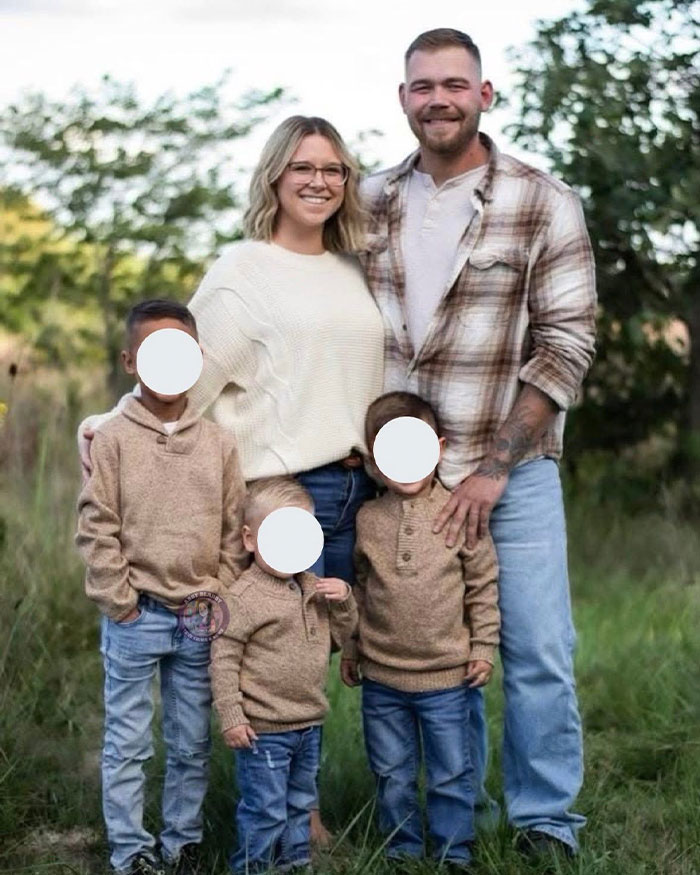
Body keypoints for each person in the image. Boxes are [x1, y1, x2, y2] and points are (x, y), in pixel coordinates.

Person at [77, 115, 385, 845]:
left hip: (355, 487)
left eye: (334, 169)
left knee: (320, 650)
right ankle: (285, 826)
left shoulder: (354, 268)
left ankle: (302, 805)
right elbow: (186, 380)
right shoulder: (239, 272)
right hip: (280, 490)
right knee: (273, 656)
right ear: (274, 176)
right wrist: (110, 418)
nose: (319, 180)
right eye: (303, 166)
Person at [358, 29, 597, 858]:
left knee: (536, 649)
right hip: (396, 483)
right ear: (402, 99)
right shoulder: (370, 200)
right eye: (422, 86)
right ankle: (432, 816)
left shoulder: (543, 199)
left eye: (455, 84)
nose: (439, 99)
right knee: (402, 648)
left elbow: (566, 342)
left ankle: (544, 822)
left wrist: (495, 465)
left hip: (512, 471)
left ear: (485, 95)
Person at [76, 299, 248, 875]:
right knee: (128, 743)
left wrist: (220, 587)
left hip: (201, 613)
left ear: (198, 360)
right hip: (136, 615)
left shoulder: (219, 444)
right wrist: (119, 601)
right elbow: (96, 525)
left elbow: (232, 525)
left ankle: (182, 844)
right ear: (131, 360)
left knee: (191, 742)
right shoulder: (112, 437)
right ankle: (131, 852)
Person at [340, 391, 499, 871]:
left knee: (451, 771)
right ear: (373, 459)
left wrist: (484, 645)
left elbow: (482, 584)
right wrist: (351, 648)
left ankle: (456, 851)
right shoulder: (367, 519)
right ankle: (403, 850)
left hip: (446, 677)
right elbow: (361, 589)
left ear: (439, 446)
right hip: (383, 678)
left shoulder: (458, 512)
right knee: (392, 772)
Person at [210, 476, 357, 873]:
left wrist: (344, 601)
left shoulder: (311, 588)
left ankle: (293, 865)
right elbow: (223, 658)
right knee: (266, 812)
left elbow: (342, 637)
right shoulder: (243, 598)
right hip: (265, 730)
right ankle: (253, 867)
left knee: (298, 806)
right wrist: (232, 716)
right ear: (250, 539)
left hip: (308, 723)